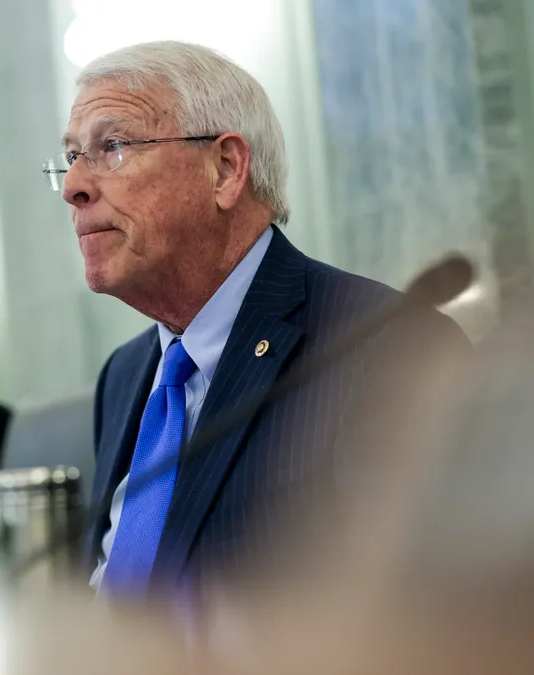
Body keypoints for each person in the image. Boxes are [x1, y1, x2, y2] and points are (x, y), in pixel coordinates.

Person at [43, 41, 470, 599]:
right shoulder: (124, 377)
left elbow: (437, 617)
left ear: (225, 169)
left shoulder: (386, 347)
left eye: (113, 146)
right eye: (72, 157)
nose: (75, 187)